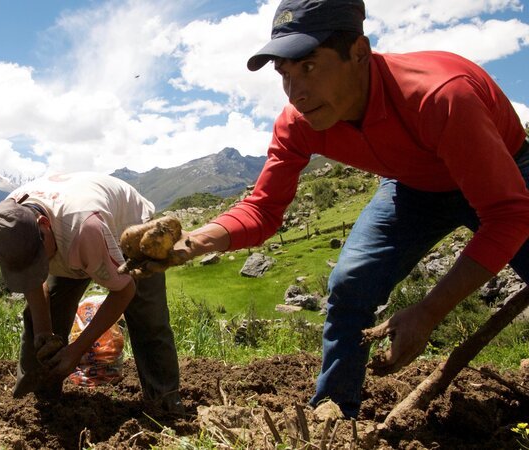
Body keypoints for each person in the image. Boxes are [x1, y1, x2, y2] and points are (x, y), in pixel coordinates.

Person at [156, 0, 529, 418]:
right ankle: (332, 415)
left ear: (359, 52)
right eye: (285, 75)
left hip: (507, 169)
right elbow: (263, 209)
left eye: (310, 67)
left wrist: (428, 312)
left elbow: (508, 214)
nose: (296, 93)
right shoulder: (297, 122)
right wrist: (192, 242)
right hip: (412, 183)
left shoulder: (441, 96)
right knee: (350, 283)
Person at [0, 172, 183, 414]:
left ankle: (165, 407)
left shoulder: (84, 228)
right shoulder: (8, 221)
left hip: (128, 229)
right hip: (70, 238)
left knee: (148, 321)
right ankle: (37, 405)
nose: (37, 266)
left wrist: (76, 351)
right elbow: (33, 281)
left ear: (43, 226)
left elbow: (124, 290)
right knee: (40, 321)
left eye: (37, 259)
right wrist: (45, 333)